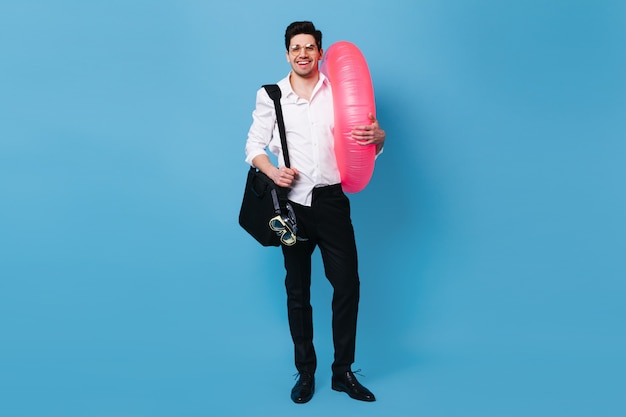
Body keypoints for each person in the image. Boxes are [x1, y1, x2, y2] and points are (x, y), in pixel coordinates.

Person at [244, 21, 386, 404]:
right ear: (287, 53)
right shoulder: (271, 96)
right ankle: (305, 373)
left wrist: (380, 139)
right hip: (291, 206)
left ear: (320, 52)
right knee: (298, 290)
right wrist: (272, 170)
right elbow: (253, 146)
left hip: (333, 202)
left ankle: (342, 373)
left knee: (348, 286)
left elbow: (363, 137)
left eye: (310, 47)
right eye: (296, 48)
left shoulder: (339, 92)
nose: (303, 54)